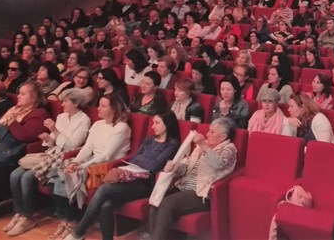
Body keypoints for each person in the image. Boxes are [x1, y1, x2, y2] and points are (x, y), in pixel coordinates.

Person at [62, 111, 180, 240]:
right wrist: (144, 161)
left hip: (146, 183)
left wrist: (142, 161)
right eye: (153, 123)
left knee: (104, 189)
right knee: (106, 205)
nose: (153, 126)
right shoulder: (149, 140)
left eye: (157, 123)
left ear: (167, 125)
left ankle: (79, 232)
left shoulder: (172, 144)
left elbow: (154, 166)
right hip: (130, 176)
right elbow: (134, 158)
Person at [4, 89, 91, 236]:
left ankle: (27, 217)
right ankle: (19, 213)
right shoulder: (62, 116)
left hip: (64, 158)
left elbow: (71, 146)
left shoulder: (84, 120)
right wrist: (47, 138)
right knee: (15, 175)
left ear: (76, 103)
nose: (62, 104)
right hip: (50, 154)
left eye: (65, 101)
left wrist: (54, 130)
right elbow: (52, 142)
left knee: (26, 177)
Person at [47, 93, 131, 236]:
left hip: (107, 166)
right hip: (91, 161)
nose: (98, 108)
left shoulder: (121, 127)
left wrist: (81, 167)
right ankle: (66, 220)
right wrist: (75, 162)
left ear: (114, 109)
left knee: (70, 176)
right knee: (55, 175)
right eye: (99, 105)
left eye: (103, 106)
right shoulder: (98, 124)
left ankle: (73, 221)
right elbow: (87, 148)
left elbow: (106, 155)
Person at [148, 117, 237, 240]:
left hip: (201, 193)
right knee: (156, 199)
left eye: (212, 132)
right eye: (208, 130)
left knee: (168, 204)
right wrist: (174, 168)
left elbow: (219, 164)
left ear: (223, 137)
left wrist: (204, 146)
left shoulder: (229, 149)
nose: (207, 134)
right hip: (183, 187)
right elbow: (186, 166)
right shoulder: (200, 148)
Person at [0, 81, 50, 223]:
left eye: (23, 94)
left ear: (34, 97)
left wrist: (12, 122)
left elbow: (25, 135)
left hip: (11, 152)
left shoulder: (40, 113)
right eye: (19, 93)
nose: (19, 97)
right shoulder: (14, 109)